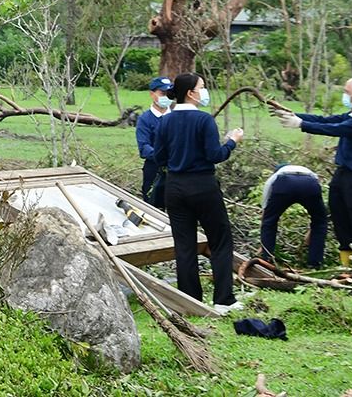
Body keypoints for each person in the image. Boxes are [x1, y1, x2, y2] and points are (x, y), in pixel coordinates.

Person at [152, 72, 244, 312]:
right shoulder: (204, 121)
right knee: (220, 240)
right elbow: (216, 155)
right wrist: (232, 141)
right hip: (203, 185)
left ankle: (190, 299)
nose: (204, 91)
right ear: (191, 93)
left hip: (175, 187)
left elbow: (158, 156)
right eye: (202, 87)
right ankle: (224, 299)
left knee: (184, 245)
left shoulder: (165, 121)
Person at [273, 77, 352, 264]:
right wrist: (292, 114)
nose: (344, 95)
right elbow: (325, 120)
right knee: (339, 215)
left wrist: (300, 125)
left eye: (347, 92)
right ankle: (348, 260)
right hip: (343, 173)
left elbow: (335, 129)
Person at [259, 163, 327, 267]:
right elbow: (317, 190)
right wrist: (312, 231)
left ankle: (266, 258)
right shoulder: (309, 172)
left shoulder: (276, 175)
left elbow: (266, 205)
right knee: (320, 222)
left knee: (269, 222)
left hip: (285, 183)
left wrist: (265, 222)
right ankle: (315, 262)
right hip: (309, 184)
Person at [136, 76, 173, 209]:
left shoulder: (177, 116)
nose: (166, 97)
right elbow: (144, 147)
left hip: (177, 169)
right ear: (152, 94)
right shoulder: (145, 119)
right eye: (163, 93)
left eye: (169, 94)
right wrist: (163, 156)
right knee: (153, 207)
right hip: (154, 169)